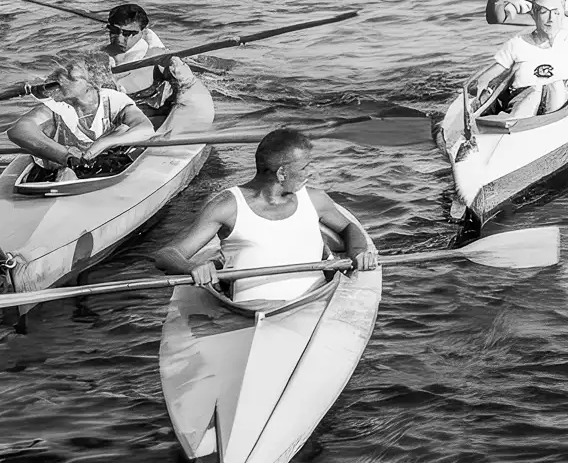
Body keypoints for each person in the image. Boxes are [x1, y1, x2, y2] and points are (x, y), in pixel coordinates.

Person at [153, 128, 378, 306]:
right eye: (305, 167)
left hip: (315, 302)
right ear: (282, 173)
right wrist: (191, 267)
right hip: (248, 311)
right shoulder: (227, 207)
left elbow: (349, 227)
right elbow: (166, 255)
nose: (311, 172)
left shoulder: (315, 200)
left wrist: (358, 252)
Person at [6, 50, 155, 180]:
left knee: (122, 132)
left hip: (108, 163)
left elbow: (145, 129)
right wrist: (65, 157)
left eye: (70, 74)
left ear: (91, 81)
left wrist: (104, 143)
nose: (61, 79)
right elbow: (18, 130)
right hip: (64, 166)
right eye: (58, 74)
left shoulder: (113, 100)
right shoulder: (56, 106)